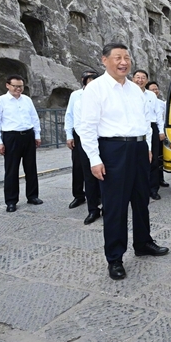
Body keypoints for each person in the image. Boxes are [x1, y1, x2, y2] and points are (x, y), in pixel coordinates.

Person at [78, 43, 169, 281]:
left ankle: (143, 242)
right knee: (115, 206)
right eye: (118, 57)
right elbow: (87, 126)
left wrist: (147, 147)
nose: (123, 62)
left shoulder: (135, 90)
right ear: (104, 60)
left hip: (138, 148)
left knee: (141, 200)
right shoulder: (96, 88)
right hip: (113, 150)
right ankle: (115, 258)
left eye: (127, 57)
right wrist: (94, 159)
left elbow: (145, 120)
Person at [0, 74, 42, 212]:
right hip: (11, 136)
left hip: (28, 135)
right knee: (11, 170)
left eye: (21, 86)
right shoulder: (0, 101)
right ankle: (11, 201)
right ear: (8, 85)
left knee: (31, 167)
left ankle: (32, 196)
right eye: (15, 86)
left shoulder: (27, 100)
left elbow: (34, 118)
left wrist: (37, 135)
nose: (18, 89)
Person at [64, 70, 102, 225]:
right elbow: (74, 120)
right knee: (87, 173)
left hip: (105, 140)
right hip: (86, 139)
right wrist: (71, 135)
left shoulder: (104, 97)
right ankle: (92, 208)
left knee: (107, 174)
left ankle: (106, 204)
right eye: (88, 82)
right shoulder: (78, 99)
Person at [133, 69, 162, 201]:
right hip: (135, 128)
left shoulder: (151, 95)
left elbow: (158, 113)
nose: (140, 80)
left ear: (147, 80)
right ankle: (139, 188)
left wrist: (161, 131)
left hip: (151, 126)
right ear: (133, 79)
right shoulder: (128, 93)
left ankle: (153, 189)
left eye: (143, 77)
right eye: (137, 77)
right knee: (136, 160)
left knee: (153, 159)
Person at [146, 81, 169, 188]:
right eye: (153, 89)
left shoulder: (161, 103)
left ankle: (159, 180)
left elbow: (161, 117)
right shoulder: (140, 98)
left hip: (157, 128)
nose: (155, 91)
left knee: (158, 157)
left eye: (156, 89)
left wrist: (161, 131)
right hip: (144, 127)